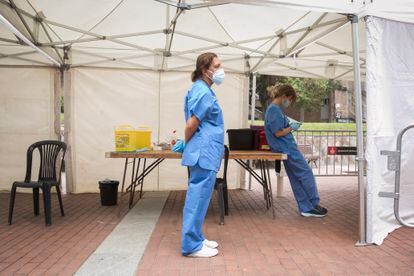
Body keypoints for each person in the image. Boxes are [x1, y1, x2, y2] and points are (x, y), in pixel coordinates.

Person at [173, 52, 225, 257]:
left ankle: (196, 237)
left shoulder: (200, 89)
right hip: (204, 152)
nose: (221, 70)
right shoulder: (203, 92)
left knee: (200, 197)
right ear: (205, 70)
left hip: (203, 150)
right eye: (217, 66)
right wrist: (187, 143)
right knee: (198, 197)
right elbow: (191, 124)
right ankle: (191, 246)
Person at [264, 84, 328, 217]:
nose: (290, 102)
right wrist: (291, 128)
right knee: (306, 173)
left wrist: (289, 126)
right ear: (284, 96)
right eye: (290, 99)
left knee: (295, 178)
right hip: (286, 147)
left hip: (284, 147)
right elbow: (278, 133)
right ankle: (313, 203)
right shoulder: (274, 110)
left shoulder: (274, 109)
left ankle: (306, 207)